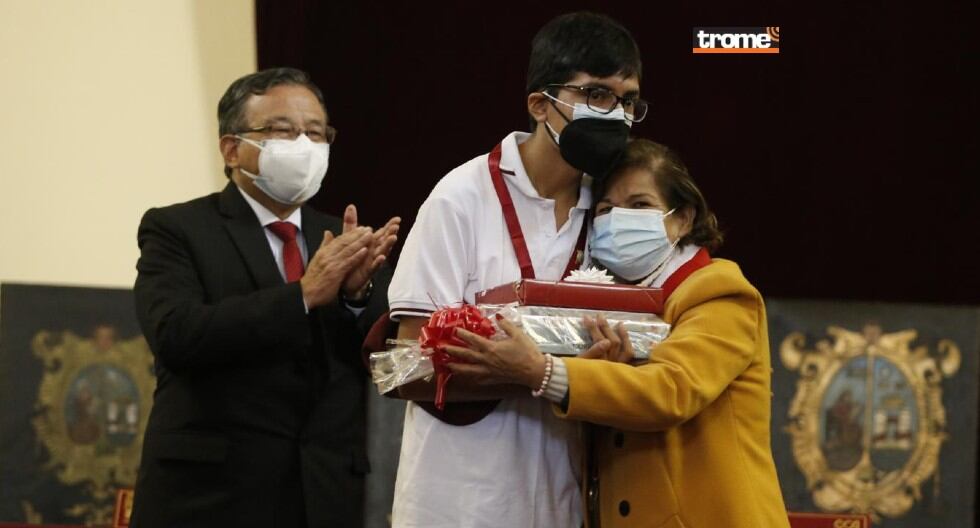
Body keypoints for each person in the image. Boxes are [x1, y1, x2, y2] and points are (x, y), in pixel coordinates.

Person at [385, 12, 648, 528]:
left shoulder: (616, 210)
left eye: (627, 101)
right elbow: (406, 367)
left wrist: (600, 370)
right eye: (596, 94)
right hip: (458, 503)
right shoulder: (461, 198)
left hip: (562, 501)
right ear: (539, 104)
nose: (615, 115)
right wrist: (534, 373)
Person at [444, 139, 791, 527]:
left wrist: (543, 372)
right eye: (606, 209)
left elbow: (670, 390)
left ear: (683, 218)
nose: (620, 219)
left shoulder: (718, 291)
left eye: (640, 205)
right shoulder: (610, 307)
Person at [130, 67, 400, 528]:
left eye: (316, 133)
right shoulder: (178, 229)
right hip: (211, 498)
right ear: (231, 149)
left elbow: (387, 359)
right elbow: (176, 334)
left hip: (325, 494)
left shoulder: (340, 236)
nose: (304, 145)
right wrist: (302, 295)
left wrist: (358, 296)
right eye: (282, 130)